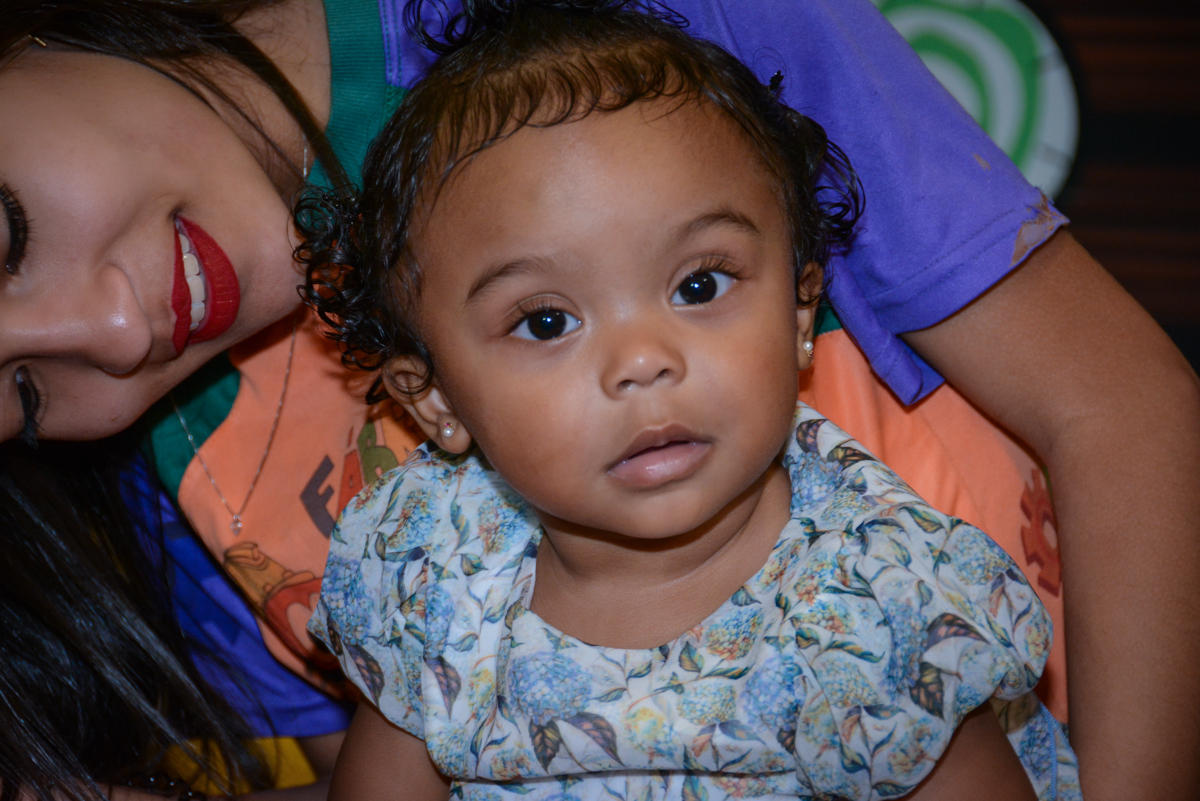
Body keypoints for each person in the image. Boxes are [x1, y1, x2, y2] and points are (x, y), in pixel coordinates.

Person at [0, 0, 1195, 798]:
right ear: (430, 396)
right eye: (19, 395)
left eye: (5, 237)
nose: (111, 332)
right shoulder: (198, 491)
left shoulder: (656, 42)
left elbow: (1123, 407)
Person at [302, 5, 1079, 797]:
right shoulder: (432, 571)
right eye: (546, 321)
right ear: (435, 399)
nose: (643, 361)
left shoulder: (870, 611)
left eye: (698, 285)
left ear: (800, 312)